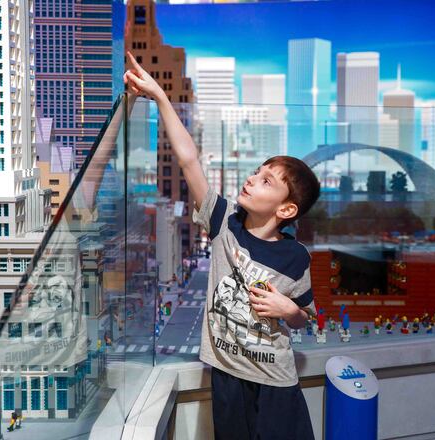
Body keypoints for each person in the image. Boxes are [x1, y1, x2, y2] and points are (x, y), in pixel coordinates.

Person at [125, 52, 319, 439]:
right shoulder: (223, 221)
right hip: (228, 377)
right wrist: (161, 98)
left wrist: (288, 309)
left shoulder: (295, 256)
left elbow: (305, 317)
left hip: (275, 382)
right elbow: (189, 160)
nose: (252, 180)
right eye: (256, 172)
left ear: (287, 208)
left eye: (267, 181)